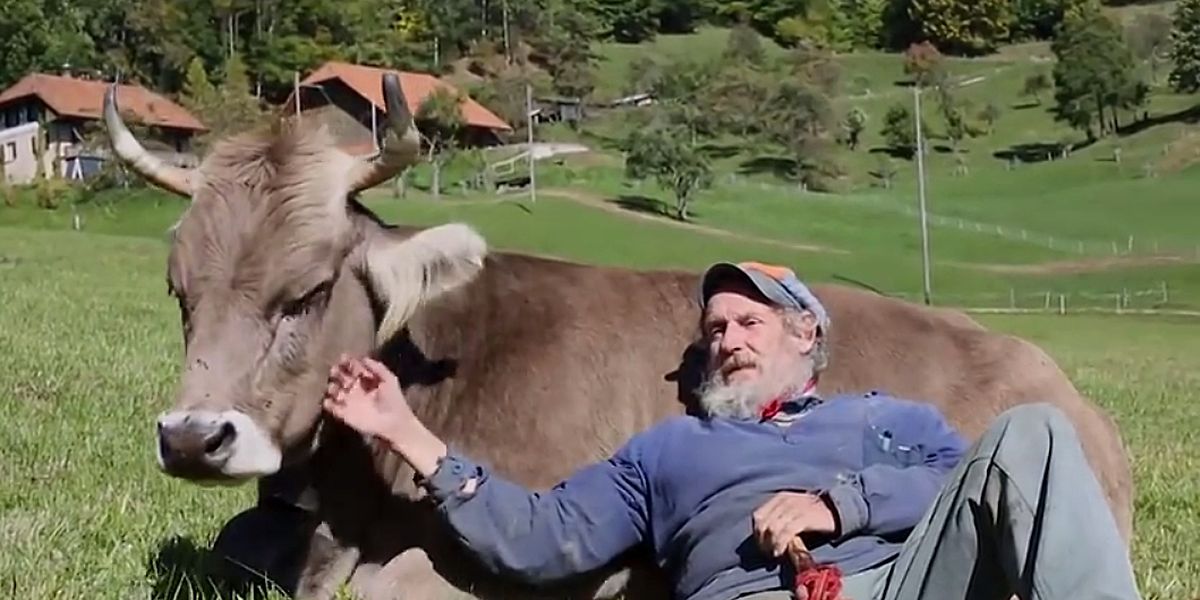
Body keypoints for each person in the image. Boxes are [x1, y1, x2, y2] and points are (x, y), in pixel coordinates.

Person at [323, 261, 1141, 600]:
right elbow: (542, 538)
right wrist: (405, 431)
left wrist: (841, 504)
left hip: (902, 585)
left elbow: (970, 480)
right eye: (714, 329)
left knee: (1030, 434)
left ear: (807, 338)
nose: (727, 338)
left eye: (751, 321)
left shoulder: (882, 420)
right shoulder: (667, 450)